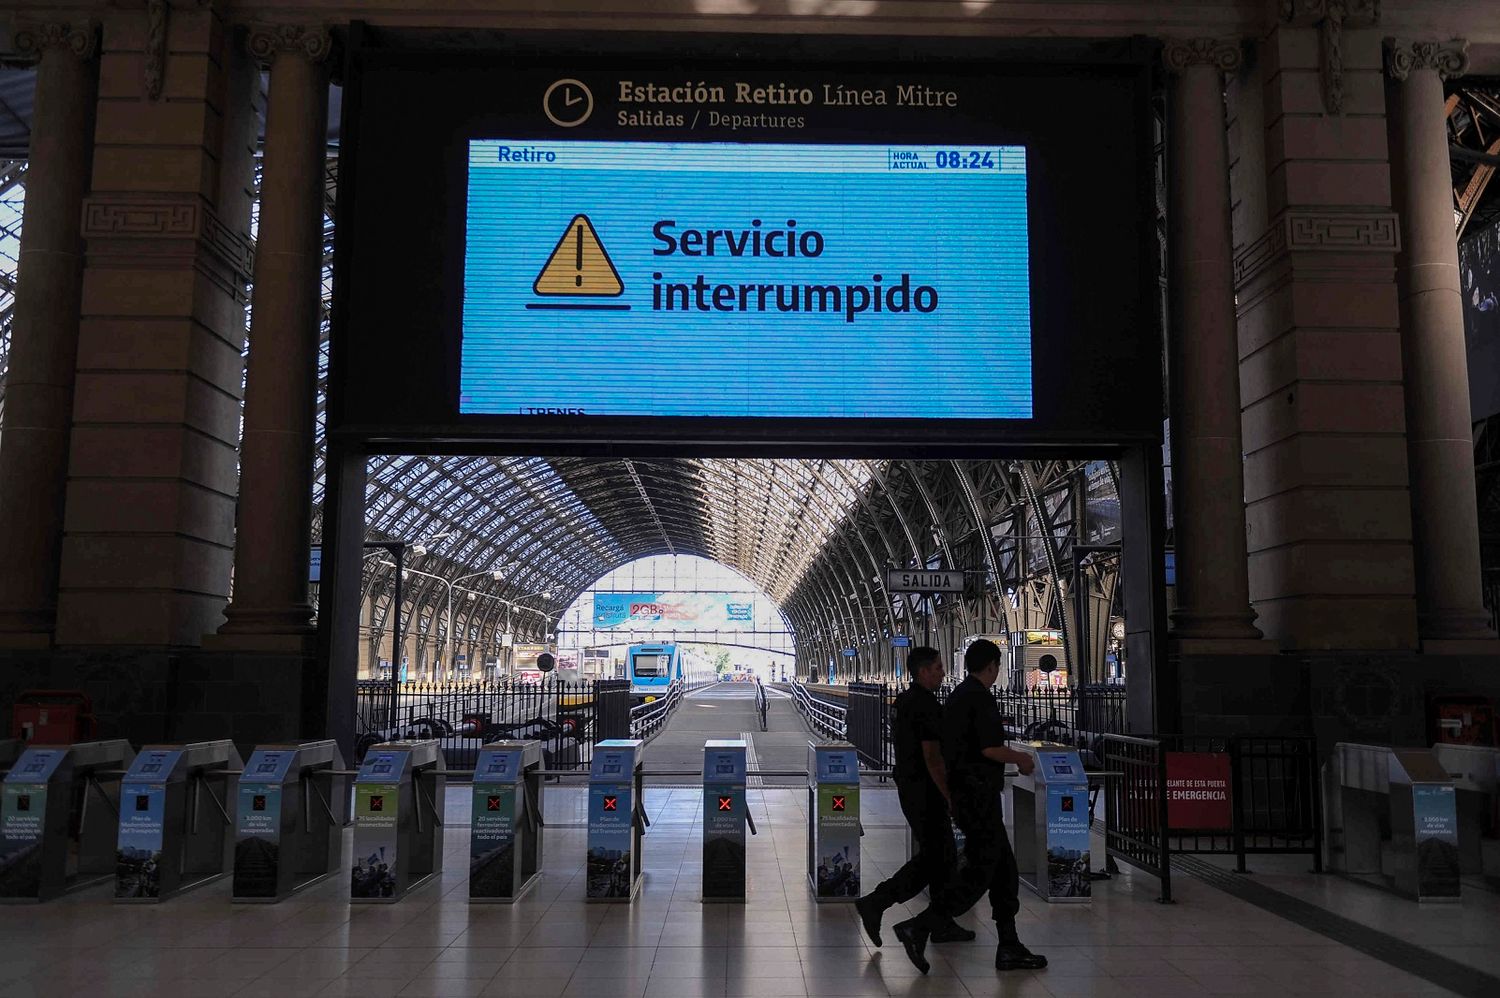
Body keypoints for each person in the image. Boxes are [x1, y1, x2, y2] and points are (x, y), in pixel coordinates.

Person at [893, 638, 1048, 974]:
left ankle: (1009, 945)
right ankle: (919, 926)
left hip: (968, 797)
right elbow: (989, 748)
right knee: (979, 874)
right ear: (992, 666)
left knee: (1004, 872)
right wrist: (1021, 759)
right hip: (977, 798)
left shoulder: (958, 695)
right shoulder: (979, 698)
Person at [854, 646, 976, 948]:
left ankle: (940, 922)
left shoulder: (904, 701)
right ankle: (877, 902)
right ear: (923, 671)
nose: (942, 673)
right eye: (938, 668)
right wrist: (949, 794)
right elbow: (932, 757)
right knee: (937, 857)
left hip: (910, 787)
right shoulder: (925, 705)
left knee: (942, 856)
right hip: (926, 791)